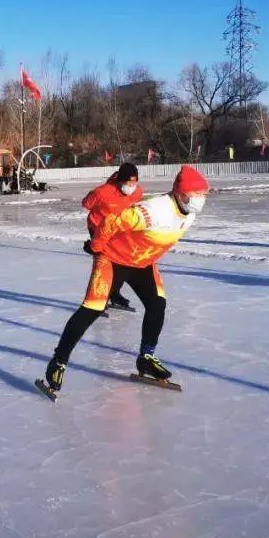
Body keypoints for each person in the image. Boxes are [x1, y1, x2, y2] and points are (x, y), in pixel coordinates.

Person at [41, 165, 210, 394]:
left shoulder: (188, 214)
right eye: (197, 194)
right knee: (93, 308)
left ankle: (146, 358)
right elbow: (111, 222)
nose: (201, 200)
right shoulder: (153, 211)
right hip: (113, 259)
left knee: (157, 303)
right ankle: (58, 361)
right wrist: (96, 246)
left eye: (203, 195)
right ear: (181, 193)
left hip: (141, 262)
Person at [81, 163, 144, 312]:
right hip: (98, 228)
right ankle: (95, 300)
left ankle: (113, 293)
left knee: (121, 263)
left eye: (135, 182)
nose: (132, 186)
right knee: (102, 264)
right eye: (129, 182)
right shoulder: (102, 192)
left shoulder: (137, 192)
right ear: (120, 180)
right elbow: (86, 204)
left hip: (118, 229)